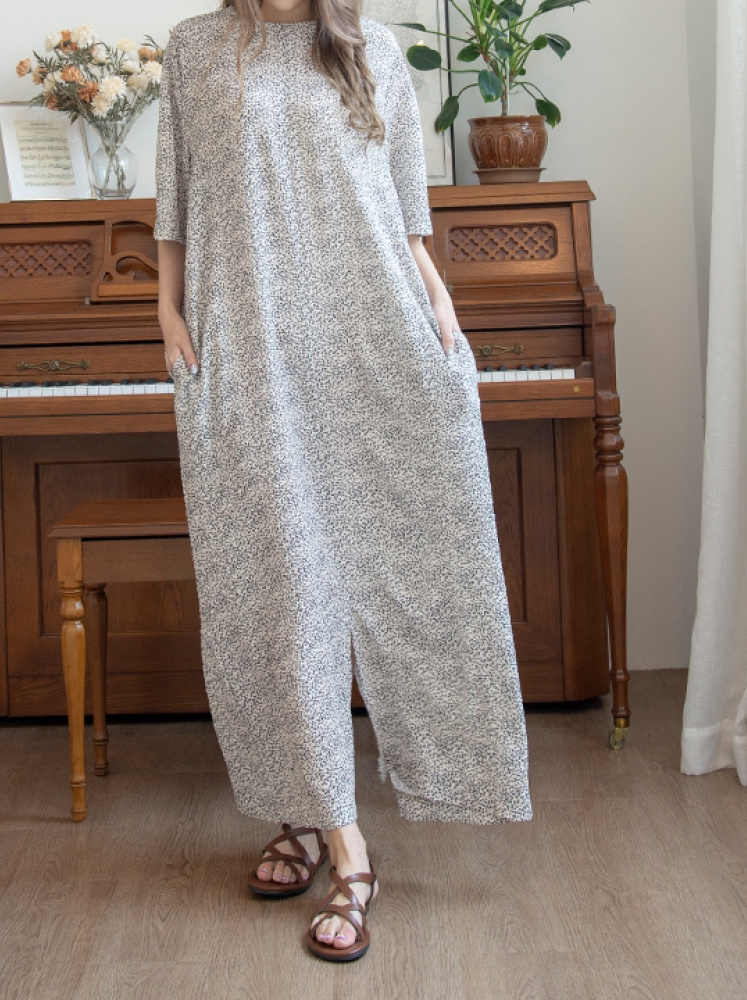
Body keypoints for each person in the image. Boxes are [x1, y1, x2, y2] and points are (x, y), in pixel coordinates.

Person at [155, 0, 532, 962]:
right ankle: (329, 825)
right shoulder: (195, 49)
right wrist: (166, 309)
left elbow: (405, 208)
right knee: (278, 588)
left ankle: (327, 832)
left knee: (404, 569)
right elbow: (176, 201)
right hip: (251, 345)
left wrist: (437, 299)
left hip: (368, 334)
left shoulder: (376, 49)